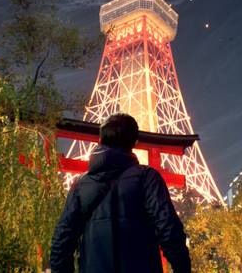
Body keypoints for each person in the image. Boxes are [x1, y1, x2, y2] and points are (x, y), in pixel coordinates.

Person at [49, 113, 191, 273]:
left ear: (100, 140)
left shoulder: (80, 185)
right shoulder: (147, 178)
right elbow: (169, 230)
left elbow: (62, 240)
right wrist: (182, 268)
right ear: (135, 143)